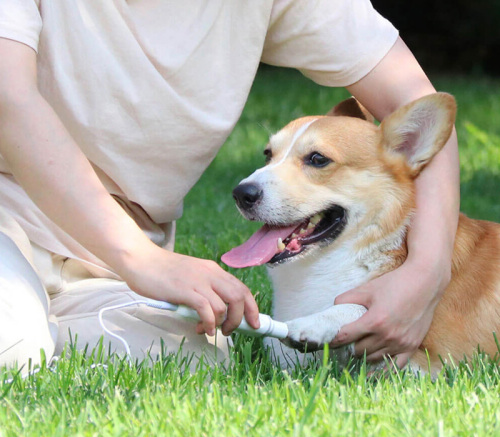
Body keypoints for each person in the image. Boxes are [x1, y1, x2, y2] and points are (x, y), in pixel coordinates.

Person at [0, 1, 459, 373]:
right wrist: (142, 260)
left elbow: (415, 101)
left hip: (107, 271)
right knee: (13, 351)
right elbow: (8, 99)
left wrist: (426, 275)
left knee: (192, 363)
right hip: (13, 224)